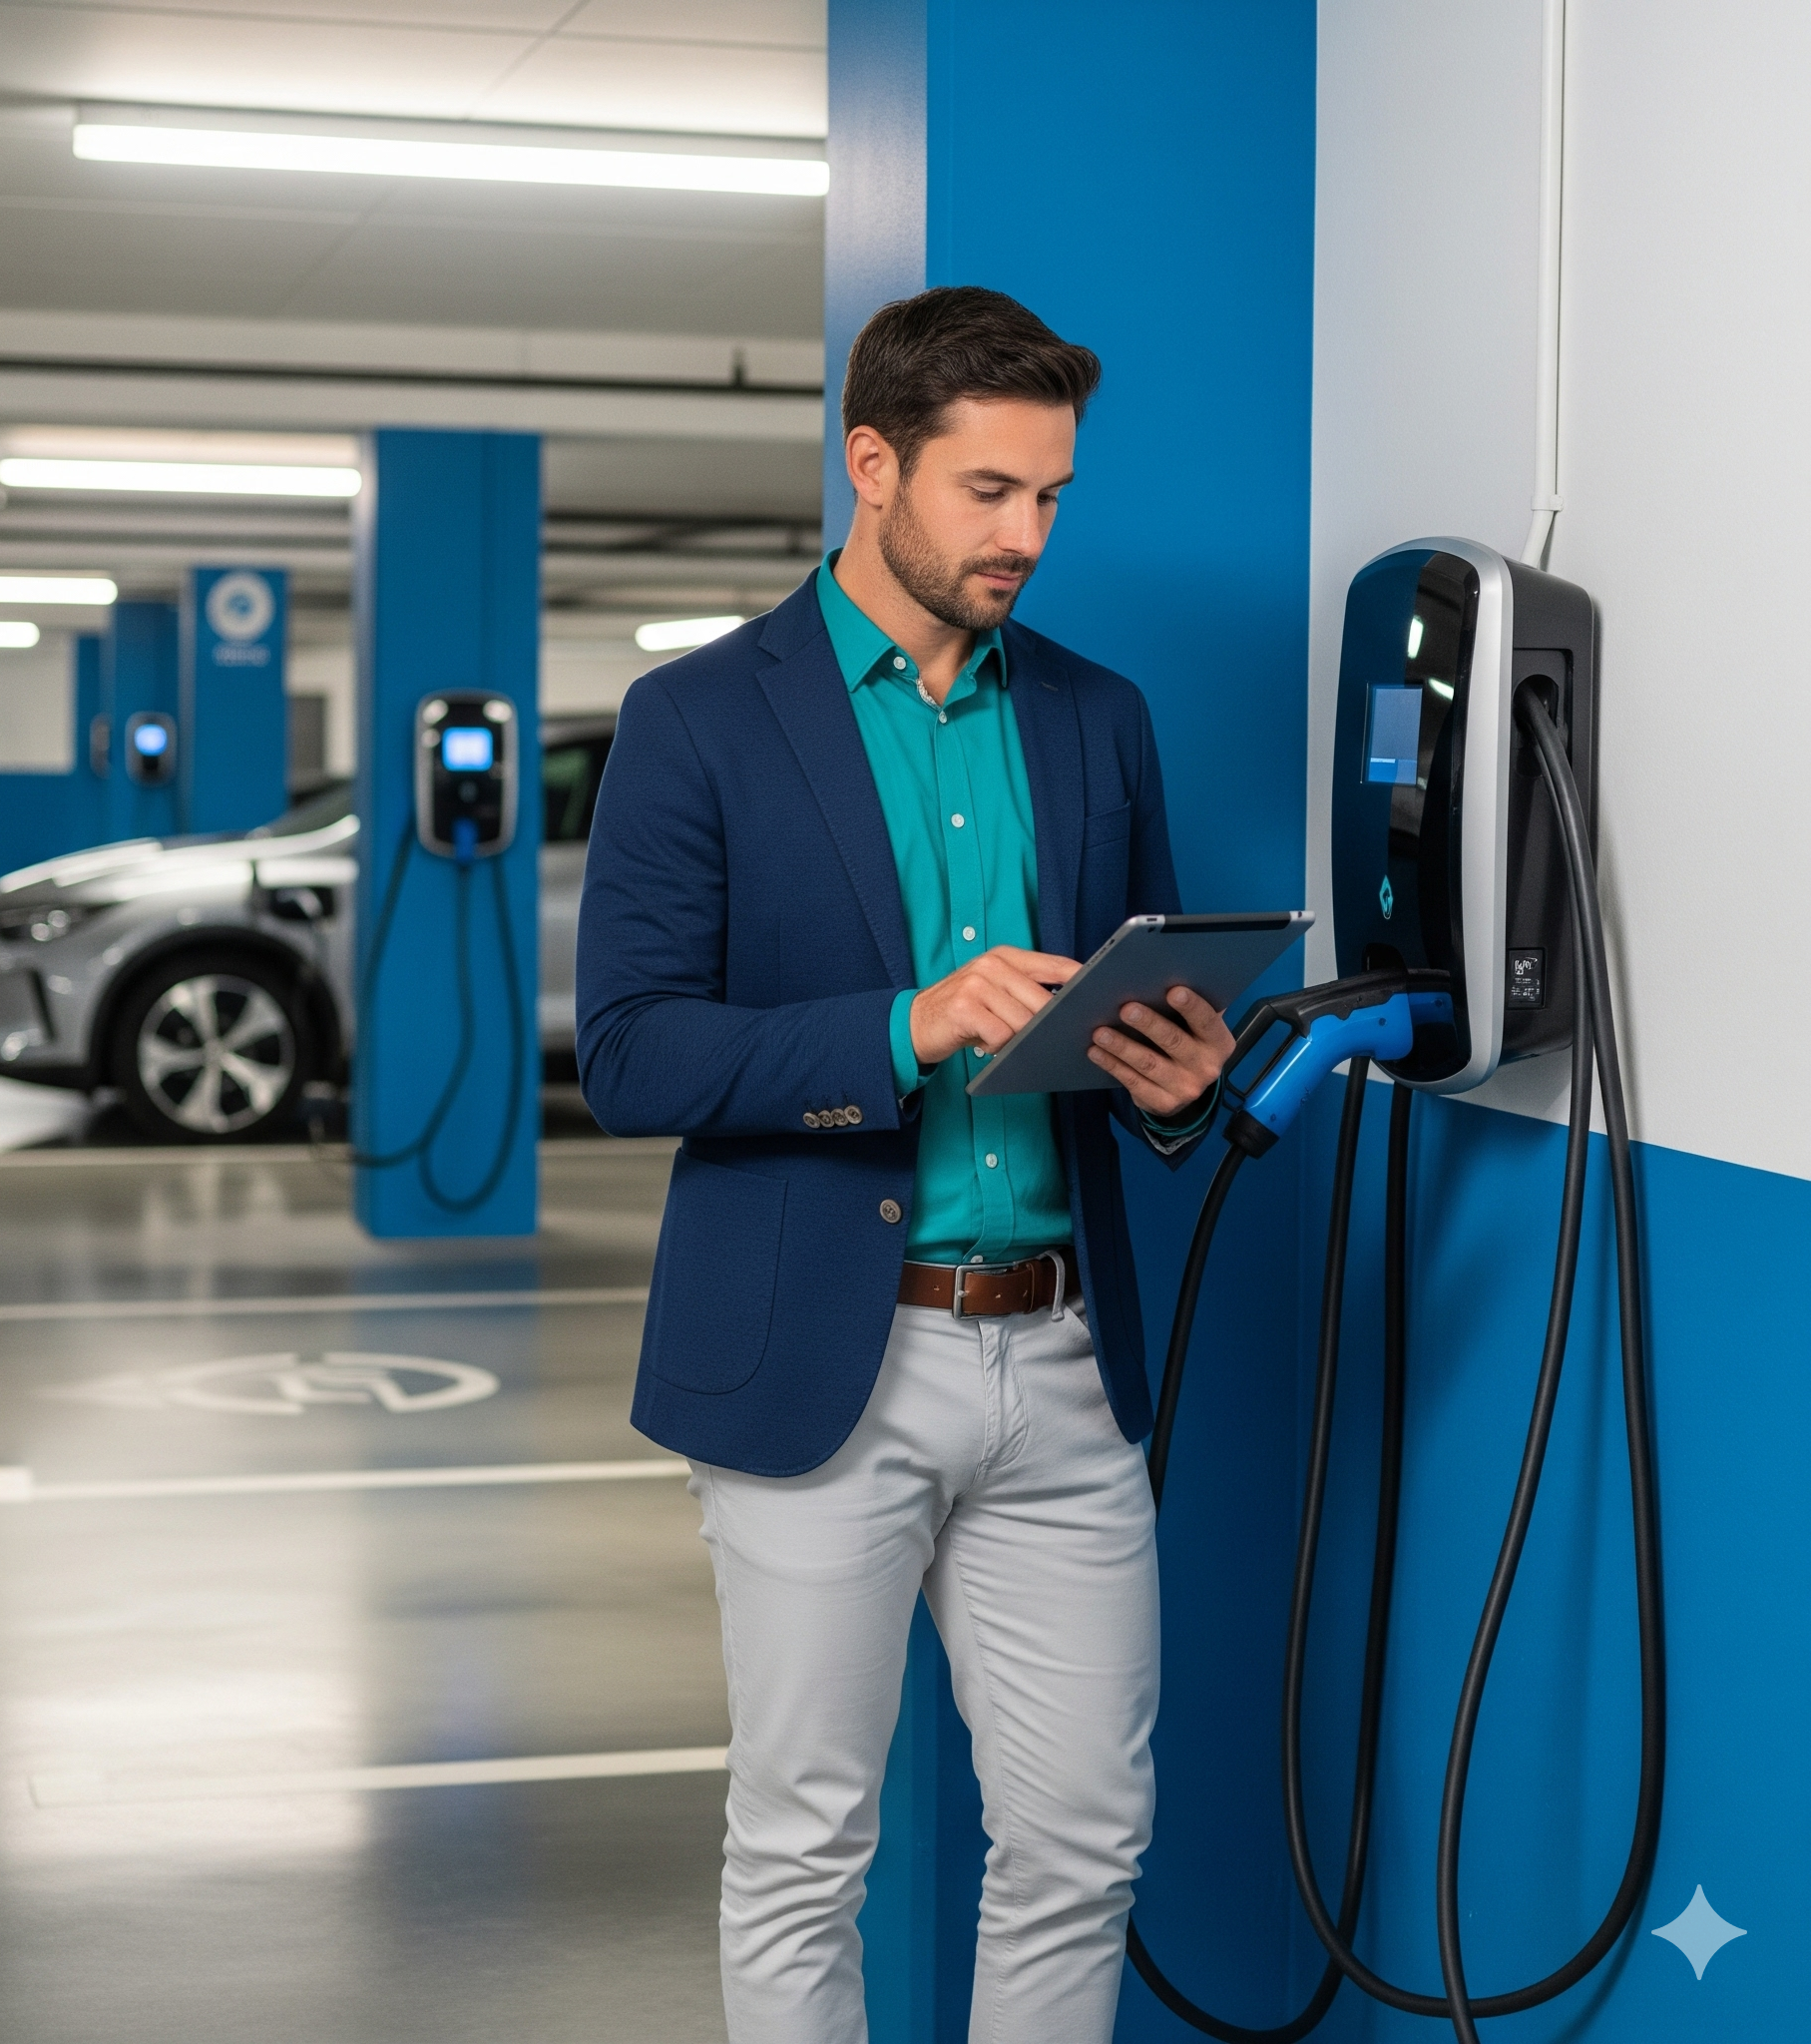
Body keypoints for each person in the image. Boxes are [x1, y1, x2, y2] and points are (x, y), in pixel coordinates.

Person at [576, 285, 1234, 2044]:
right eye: (989, 493)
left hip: (1070, 1367)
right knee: (805, 1847)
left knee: (1085, 1844)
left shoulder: (1099, 717)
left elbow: (1130, 1024)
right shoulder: (699, 719)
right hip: (823, 1365)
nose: (1027, 535)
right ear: (873, 464)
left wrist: (1174, 1080)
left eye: (1052, 498)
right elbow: (631, 1051)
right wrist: (903, 1025)